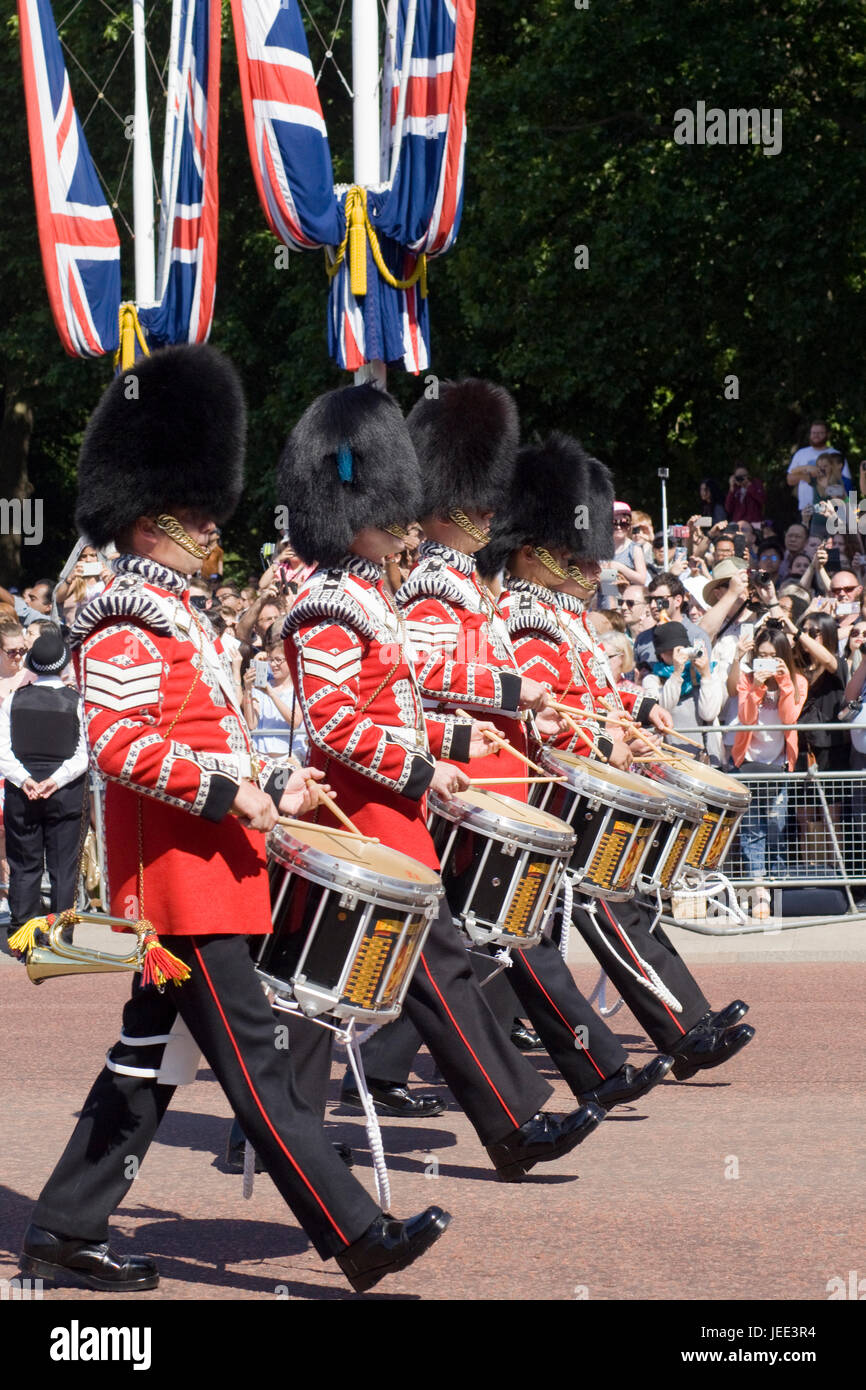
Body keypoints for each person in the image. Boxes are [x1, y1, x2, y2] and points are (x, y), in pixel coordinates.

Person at [19, 345, 451, 1297]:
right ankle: (357, 1234)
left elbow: (201, 738)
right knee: (257, 1068)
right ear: (148, 517)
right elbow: (122, 745)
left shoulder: (184, 614)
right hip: (180, 884)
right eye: (198, 515)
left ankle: (61, 1229)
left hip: (213, 870)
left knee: (148, 1061)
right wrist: (229, 795)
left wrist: (275, 783)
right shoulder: (127, 618)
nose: (214, 527)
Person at [280, 380, 604, 1161]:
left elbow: (402, 710)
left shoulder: (371, 598)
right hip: (358, 815)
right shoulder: (329, 605)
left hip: (391, 812)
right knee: (333, 983)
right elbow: (337, 727)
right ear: (352, 514)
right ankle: (508, 1121)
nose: (403, 525)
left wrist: (453, 753)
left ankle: (508, 1122)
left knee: (366, 979)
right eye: (387, 511)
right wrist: (423, 772)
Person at [483, 435, 753, 1076]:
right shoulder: (523, 617)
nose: (593, 571)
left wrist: (635, 710)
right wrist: (603, 740)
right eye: (577, 559)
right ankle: (678, 1031)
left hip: (585, 775)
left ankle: (679, 1025)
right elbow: (540, 717)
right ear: (531, 554)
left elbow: (592, 689)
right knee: (591, 908)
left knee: (518, 928)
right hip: (559, 785)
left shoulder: (560, 612)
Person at [0, 626, 87, 935]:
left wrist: (24, 779)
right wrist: (56, 779)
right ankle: (61, 934)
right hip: (65, 794)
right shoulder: (76, 701)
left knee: (24, 863)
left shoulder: (13, 701)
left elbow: (3, 749)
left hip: (22, 794)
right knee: (64, 867)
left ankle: (23, 932)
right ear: (63, 664)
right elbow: (83, 754)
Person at [731, 625, 808, 916]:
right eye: (761, 656)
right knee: (752, 830)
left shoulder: (797, 681)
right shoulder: (747, 681)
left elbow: (789, 720)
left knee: (776, 827)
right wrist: (757, 687)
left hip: (779, 765)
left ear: (783, 657)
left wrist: (784, 682)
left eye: (773, 657)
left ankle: (775, 887)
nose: (766, 661)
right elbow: (746, 719)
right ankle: (759, 888)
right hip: (750, 763)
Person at [641, 621, 724, 754]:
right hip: (673, 756)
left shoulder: (705, 673)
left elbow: (709, 713)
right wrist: (676, 674)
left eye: (680, 649)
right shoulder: (652, 680)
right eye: (669, 651)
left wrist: (705, 674)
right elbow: (663, 708)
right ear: (660, 654)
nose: (675, 654)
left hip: (709, 754)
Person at [633, 572, 710, 671]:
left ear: (677, 600)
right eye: (650, 599)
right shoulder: (642, 639)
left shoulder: (697, 636)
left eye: (659, 600)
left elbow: (702, 676)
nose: (652, 605)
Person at [608, 501, 648, 586]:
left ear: (629, 525)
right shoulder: (600, 548)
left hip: (625, 596)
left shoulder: (635, 549)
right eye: (614, 523)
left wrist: (619, 567)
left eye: (623, 523)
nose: (618, 527)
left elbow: (642, 580)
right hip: (604, 595)